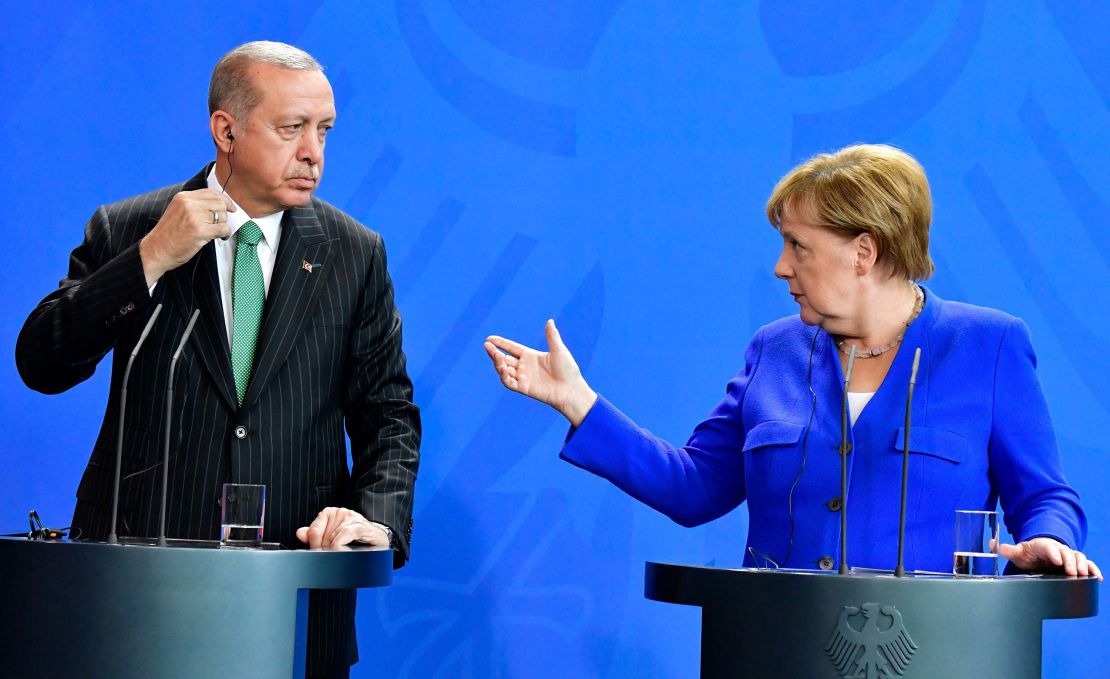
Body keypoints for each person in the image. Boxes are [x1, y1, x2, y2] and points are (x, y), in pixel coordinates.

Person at [484, 143, 1100, 580]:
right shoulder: (774, 349)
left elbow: (1045, 495)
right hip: (776, 648)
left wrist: (1049, 539)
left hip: (932, 650)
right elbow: (693, 487)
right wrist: (577, 401)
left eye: (798, 247)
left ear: (864, 251)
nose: (781, 267)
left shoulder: (988, 346)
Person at [16, 41, 421, 677]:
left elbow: (388, 414)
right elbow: (43, 363)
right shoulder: (129, 229)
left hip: (288, 600)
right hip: (134, 593)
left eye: (324, 130)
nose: (313, 152)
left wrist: (374, 521)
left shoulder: (353, 253)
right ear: (225, 130)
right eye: (292, 128)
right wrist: (148, 260)